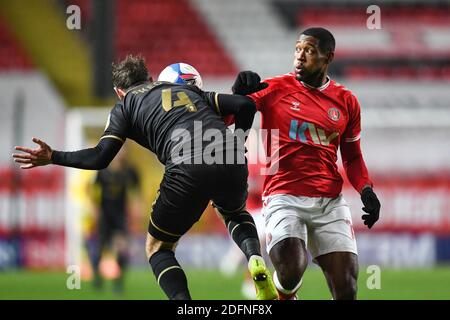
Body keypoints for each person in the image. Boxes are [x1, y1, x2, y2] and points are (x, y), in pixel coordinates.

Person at [12, 55, 277, 300]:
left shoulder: (124, 106)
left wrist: (54, 156)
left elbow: (100, 157)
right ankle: (254, 257)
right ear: (151, 79)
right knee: (234, 213)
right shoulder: (186, 90)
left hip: (186, 168)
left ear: (119, 92)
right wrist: (237, 143)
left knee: (158, 249)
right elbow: (244, 105)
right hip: (230, 161)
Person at [232, 28, 381, 300]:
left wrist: (366, 189)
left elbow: (352, 156)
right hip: (283, 195)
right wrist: (237, 93)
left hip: (329, 202)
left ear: (328, 58)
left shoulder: (347, 101)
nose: (300, 57)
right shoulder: (274, 88)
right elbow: (231, 114)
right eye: (298, 49)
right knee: (291, 268)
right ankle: (282, 293)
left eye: (309, 51)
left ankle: (279, 295)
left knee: (346, 288)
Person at [90, 148, 140, 293]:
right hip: (105, 216)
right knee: (100, 248)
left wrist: (137, 208)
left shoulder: (129, 171)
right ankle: (97, 275)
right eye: (118, 151)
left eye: (123, 151)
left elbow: (136, 191)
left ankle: (119, 281)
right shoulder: (102, 170)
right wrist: (95, 210)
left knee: (122, 249)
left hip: (120, 217)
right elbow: (94, 191)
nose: (121, 154)